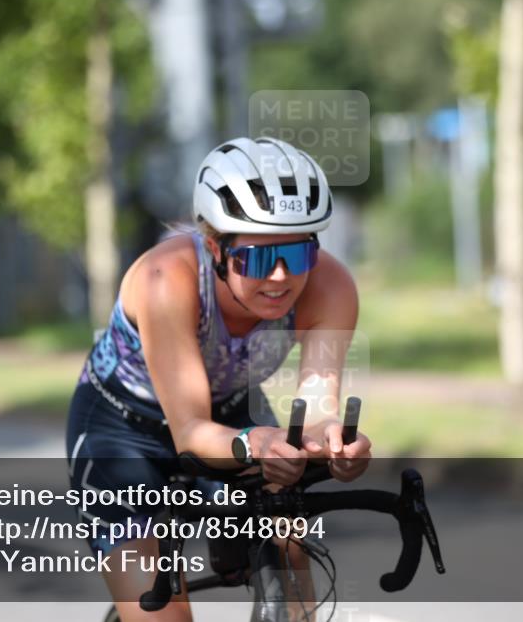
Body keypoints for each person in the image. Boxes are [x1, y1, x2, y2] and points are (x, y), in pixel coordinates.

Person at [66, 137, 372, 621]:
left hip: (231, 412)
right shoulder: (165, 279)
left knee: (288, 548)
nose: (278, 277)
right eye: (254, 257)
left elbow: (317, 408)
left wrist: (333, 446)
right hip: (122, 429)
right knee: (162, 608)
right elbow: (190, 432)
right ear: (215, 247)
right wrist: (260, 444)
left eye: (296, 255)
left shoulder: (330, 287)